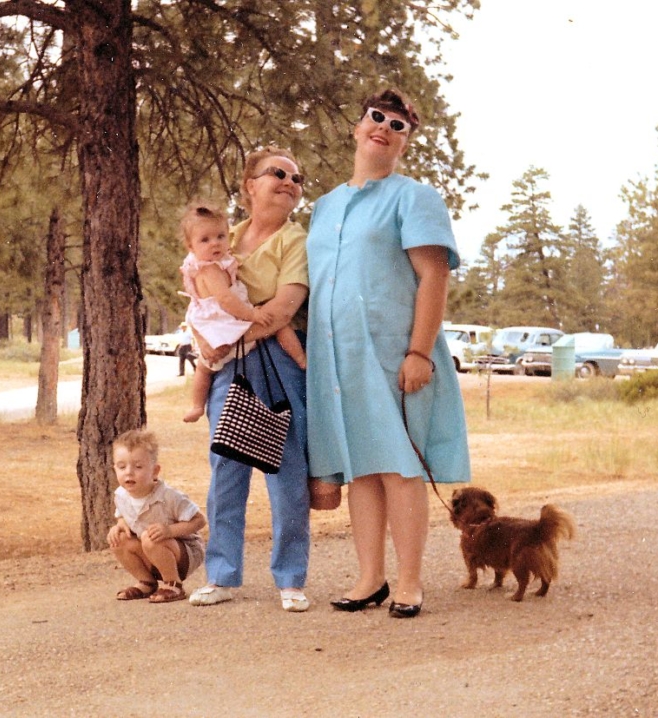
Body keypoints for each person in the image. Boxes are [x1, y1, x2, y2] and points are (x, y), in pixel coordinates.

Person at [305, 89, 472, 619]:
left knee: (400, 467)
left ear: (404, 141)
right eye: (376, 117)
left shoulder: (414, 198)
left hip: (394, 354)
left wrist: (419, 351)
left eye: (397, 125)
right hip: (338, 360)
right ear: (357, 128)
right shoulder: (325, 206)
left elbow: (433, 275)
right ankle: (369, 577)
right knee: (361, 468)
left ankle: (409, 581)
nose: (384, 127)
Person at [187, 147, 312, 612]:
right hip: (228, 367)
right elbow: (199, 296)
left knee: (286, 472)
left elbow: (284, 306)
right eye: (277, 173)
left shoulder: (294, 240)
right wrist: (204, 342)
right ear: (249, 185)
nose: (288, 182)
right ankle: (221, 575)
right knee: (226, 469)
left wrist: (234, 336)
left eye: (297, 179)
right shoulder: (223, 236)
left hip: (276, 363)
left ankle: (291, 578)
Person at [178, 200, 306, 422]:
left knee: (205, 368)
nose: (215, 244)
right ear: (191, 247)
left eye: (220, 236)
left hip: (229, 325)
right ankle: (196, 405)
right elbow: (227, 300)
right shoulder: (208, 270)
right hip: (225, 323)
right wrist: (252, 315)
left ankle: (196, 406)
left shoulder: (223, 259)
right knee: (204, 368)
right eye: (205, 240)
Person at [107, 428, 207, 603]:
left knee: (149, 537)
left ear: (155, 470)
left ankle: (173, 584)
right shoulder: (121, 495)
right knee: (119, 539)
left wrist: (169, 530)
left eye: (138, 467)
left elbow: (199, 520)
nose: (129, 472)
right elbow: (122, 515)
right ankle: (146, 582)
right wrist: (120, 524)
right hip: (151, 551)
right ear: (114, 468)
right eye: (122, 467)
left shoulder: (169, 496)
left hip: (184, 553)